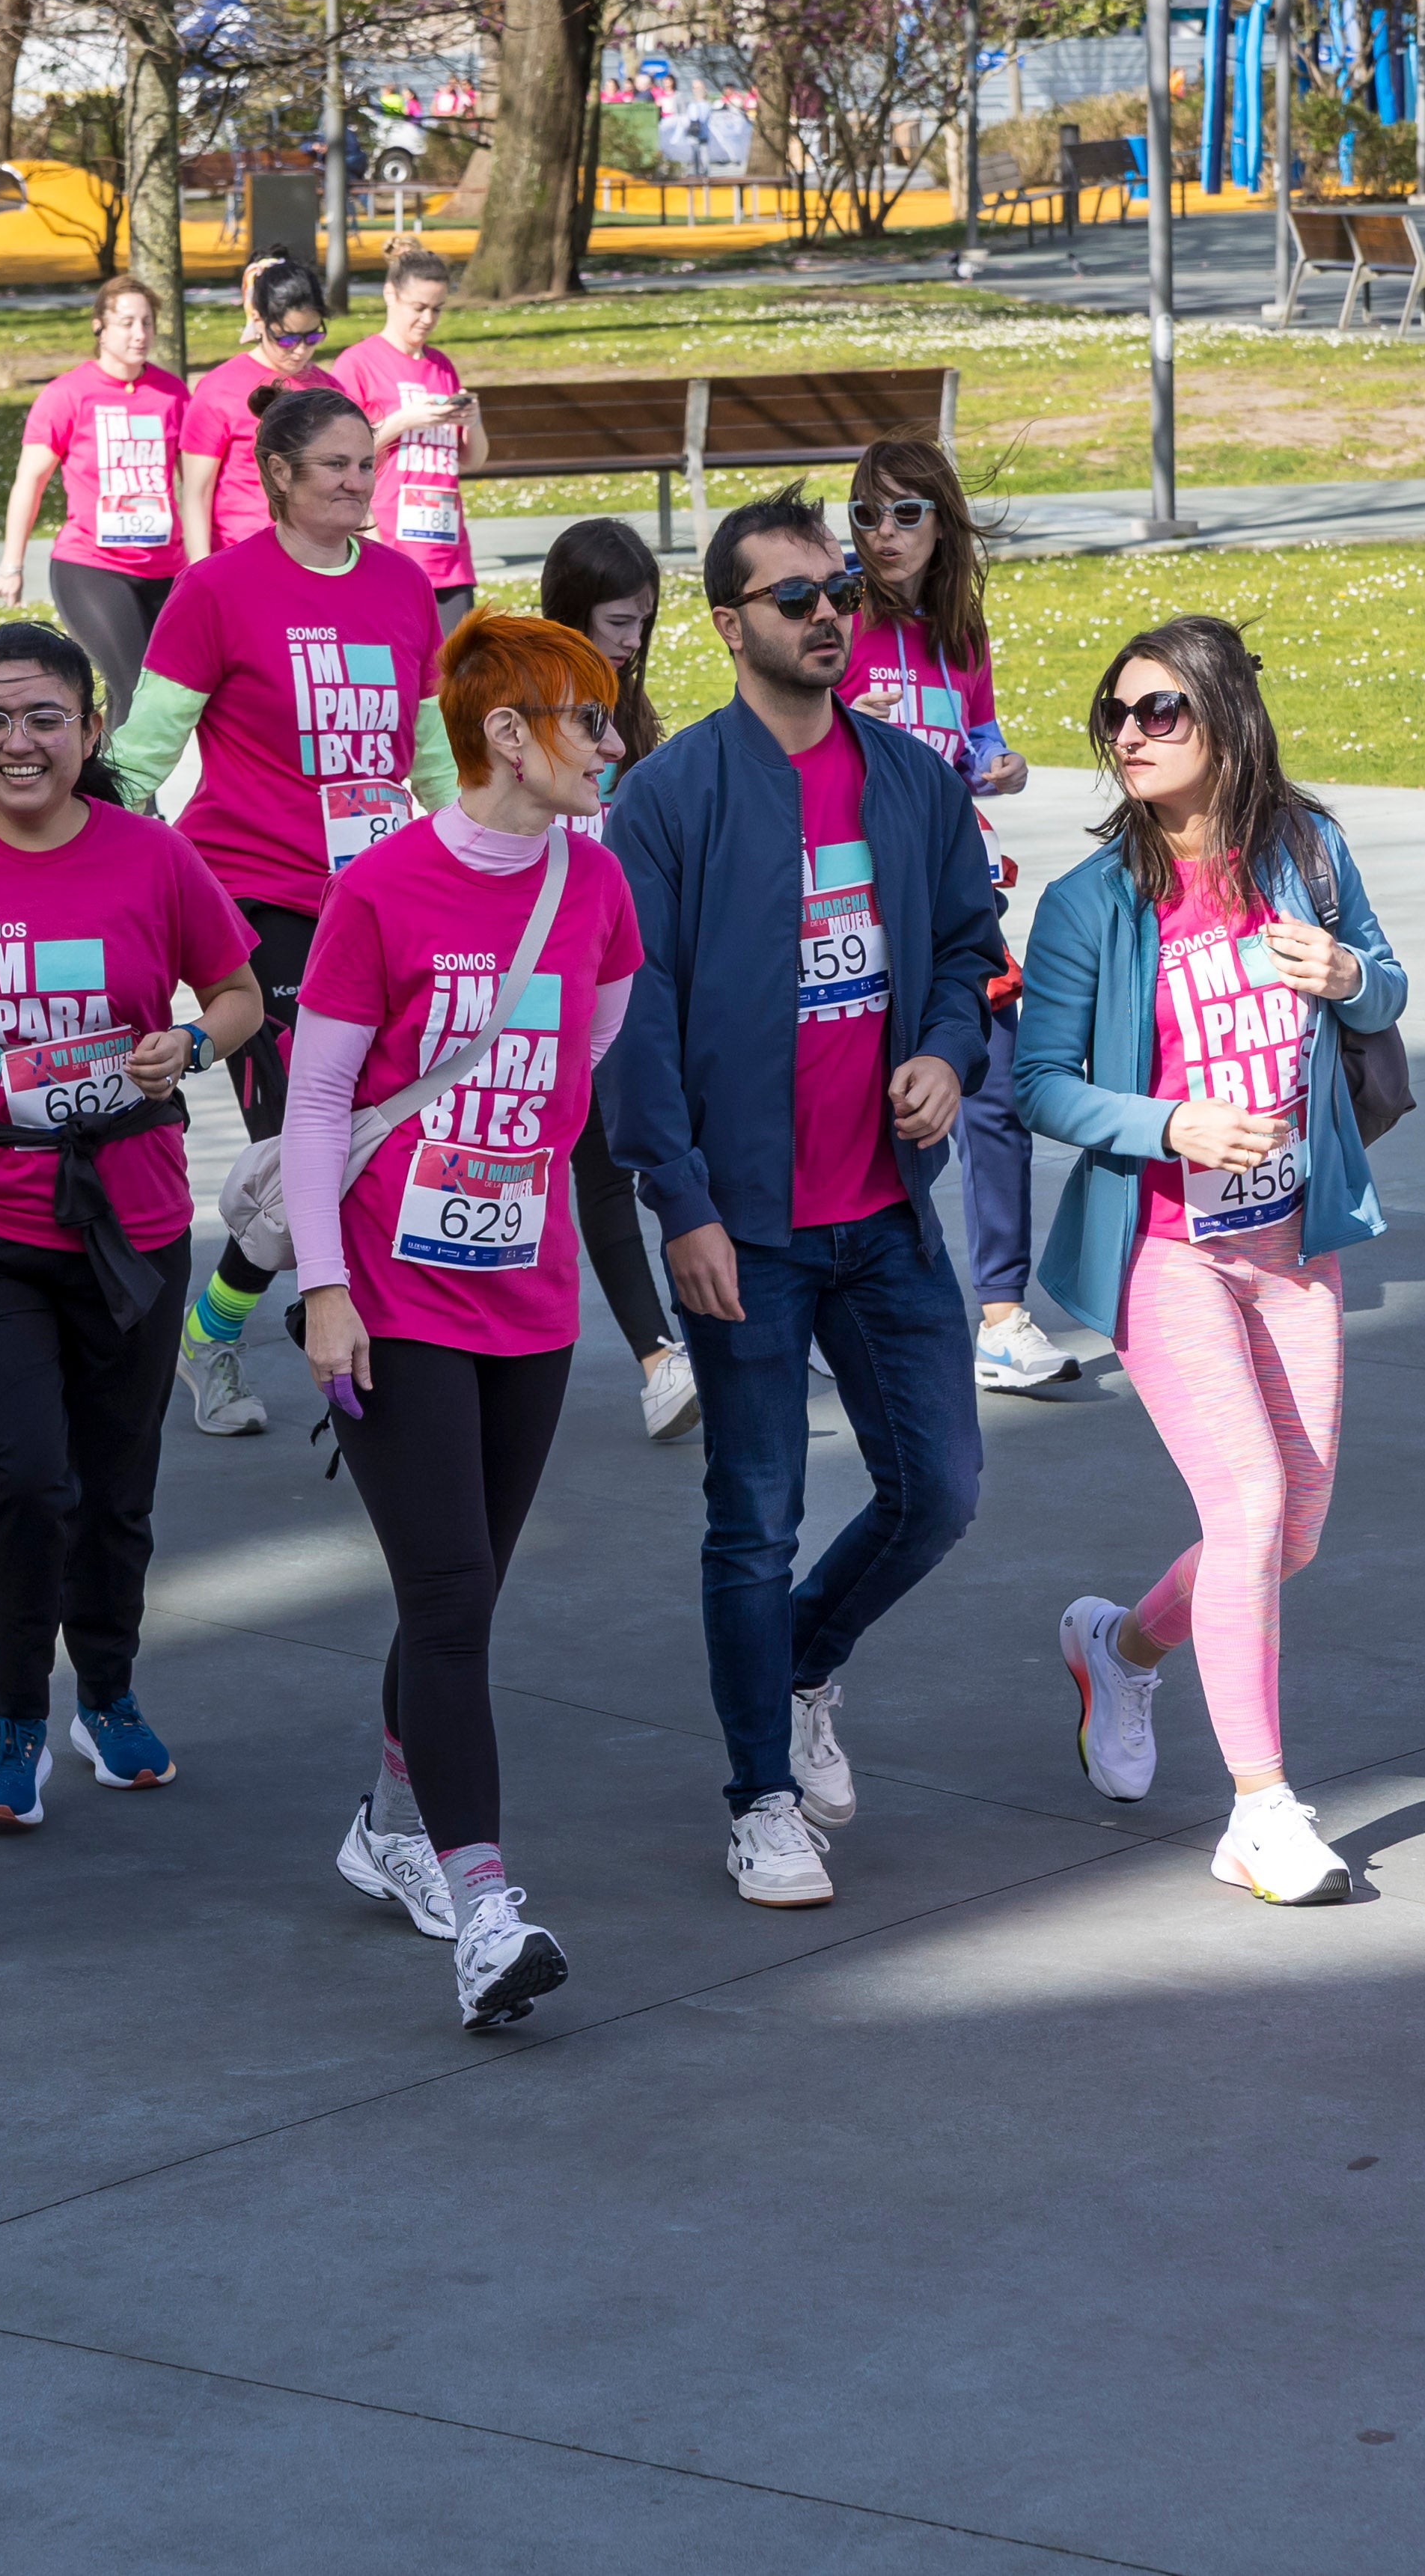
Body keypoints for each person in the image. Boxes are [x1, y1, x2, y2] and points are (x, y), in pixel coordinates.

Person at [602, 493, 1001, 1909]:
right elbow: (630, 1020)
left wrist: (946, 1052)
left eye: (837, 588)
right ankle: (758, 1790)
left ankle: (802, 1659)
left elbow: (965, 943)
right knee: (750, 1515)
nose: (827, 611)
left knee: (939, 1485)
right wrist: (682, 1203)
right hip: (746, 1229)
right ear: (725, 625)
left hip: (885, 1212)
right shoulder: (665, 799)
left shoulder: (907, 776)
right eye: (793, 597)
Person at [1020, 617, 1409, 1906]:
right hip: (1163, 1244)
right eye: (1115, 713)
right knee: (1242, 1506)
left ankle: (1117, 1646)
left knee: (1287, 1530)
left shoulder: (1304, 851)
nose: (1128, 732)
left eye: (1159, 710)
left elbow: (1385, 989)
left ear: (1224, 721)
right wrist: (1168, 1122)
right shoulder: (1088, 903)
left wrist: (1347, 968)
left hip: (1291, 1238)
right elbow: (1041, 1083)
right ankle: (1257, 1807)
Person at [293, 611, 647, 2025]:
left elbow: (589, 1051)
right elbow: (317, 1104)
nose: (610, 745)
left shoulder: (596, 888)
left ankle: (388, 1821)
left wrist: (505, 1153)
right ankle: (485, 1906)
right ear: (506, 733)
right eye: (589, 720)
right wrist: (325, 1288)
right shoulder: (379, 892)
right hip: (387, 1294)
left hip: (527, 1291)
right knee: (445, 1592)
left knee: (466, 1588)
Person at [0, 625, 264, 1826]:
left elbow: (240, 995)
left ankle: (112, 1692)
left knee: (116, 1479)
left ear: (93, 732)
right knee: (26, 1473)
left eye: (45, 718)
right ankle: (16, 1715)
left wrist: (189, 1044)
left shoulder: (155, 861)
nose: (18, 742)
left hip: (128, 1215)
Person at [112, 384, 454, 1439]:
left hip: (382, 900)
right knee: (313, 1144)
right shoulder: (218, 590)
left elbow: (435, 755)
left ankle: (211, 1328)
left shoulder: (402, 585)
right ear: (279, 476)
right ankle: (351, 1364)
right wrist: (102, 863)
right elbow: (142, 754)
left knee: (369, 1136)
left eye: (368, 464)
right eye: (336, 467)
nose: (360, 482)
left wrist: (472, 861)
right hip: (255, 907)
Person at [842, 436, 1068, 1402]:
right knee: (870, 1111)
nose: (885, 536)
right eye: (866, 516)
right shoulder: (836, 618)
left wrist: (1003, 765)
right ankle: (850, 1293)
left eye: (906, 514)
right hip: (858, 903)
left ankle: (1002, 1315)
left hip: (960, 893)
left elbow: (982, 738)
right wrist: (855, 715)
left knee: (997, 1092)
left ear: (943, 522)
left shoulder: (959, 633)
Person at [537, 516, 701, 1443]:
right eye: (617, 620)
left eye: (643, 619)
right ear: (571, 609)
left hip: (625, 966)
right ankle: (655, 1357)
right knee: (592, 1166)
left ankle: (678, 1343)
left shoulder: (625, 705)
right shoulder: (534, 696)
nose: (633, 640)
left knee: (627, 1153)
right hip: (540, 972)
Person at [0, 275, 191, 723]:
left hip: (165, 570)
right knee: (133, 687)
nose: (140, 334)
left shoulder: (172, 394)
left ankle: (97, 790)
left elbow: (195, 484)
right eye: (126, 323)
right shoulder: (67, 395)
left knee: (157, 696)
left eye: (147, 322)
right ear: (100, 326)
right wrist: (12, 564)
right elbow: (30, 482)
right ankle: (130, 797)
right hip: (93, 567)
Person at [329, 250, 486, 624]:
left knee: (453, 676)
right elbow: (339, 452)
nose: (428, 319)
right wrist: (403, 421)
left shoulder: (441, 366)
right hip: (389, 544)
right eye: (418, 307)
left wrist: (474, 422)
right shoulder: (357, 364)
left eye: (437, 308)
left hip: (447, 552)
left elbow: (472, 460)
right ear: (390, 295)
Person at [173, 257, 336, 563]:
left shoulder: (331, 390)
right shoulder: (218, 389)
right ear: (259, 322)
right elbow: (196, 495)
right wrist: (199, 571)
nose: (300, 350)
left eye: (313, 336)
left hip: (318, 560)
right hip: (243, 560)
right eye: (286, 338)